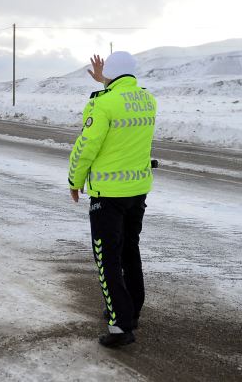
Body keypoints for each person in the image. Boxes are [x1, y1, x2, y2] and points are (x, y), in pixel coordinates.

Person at [67, 51, 157, 348]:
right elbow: (122, 100)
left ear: (111, 72)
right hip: (137, 190)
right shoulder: (148, 100)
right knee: (130, 251)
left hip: (108, 194)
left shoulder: (102, 104)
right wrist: (105, 81)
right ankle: (131, 310)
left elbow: (86, 145)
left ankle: (120, 326)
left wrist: (74, 180)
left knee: (107, 258)